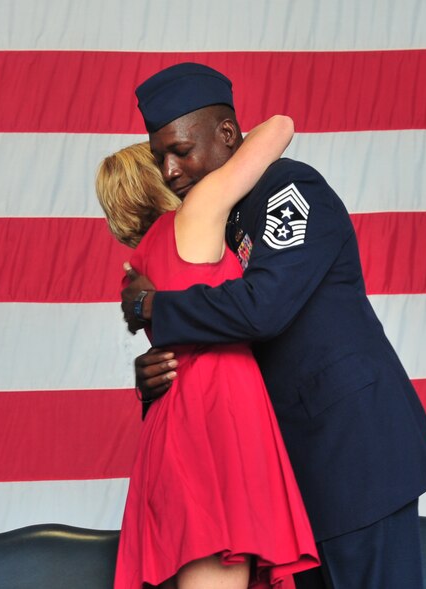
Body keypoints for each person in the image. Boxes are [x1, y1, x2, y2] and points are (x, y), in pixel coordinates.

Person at [121, 63, 426, 589]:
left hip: (354, 457)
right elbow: (222, 362)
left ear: (227, 134)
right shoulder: (213, 223)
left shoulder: (288, 188)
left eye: (180, 150)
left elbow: (262, 308)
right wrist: (158, 374)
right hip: (288, 481)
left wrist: (156, 309)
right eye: (160, 157)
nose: (169, 171)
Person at [96, 115, 319, 588]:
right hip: (213, 422)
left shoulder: (139, 264)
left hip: (182, 420)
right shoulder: (196, 215)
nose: (176, 168)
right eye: (164, 160)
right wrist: (212, 150)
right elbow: (279, 128)